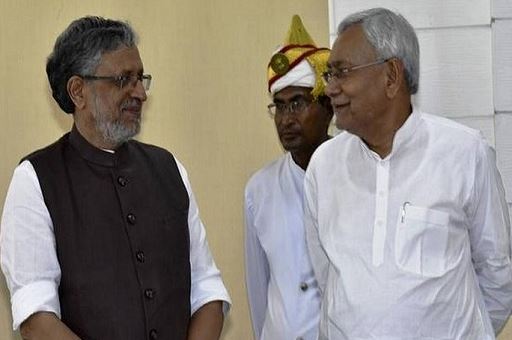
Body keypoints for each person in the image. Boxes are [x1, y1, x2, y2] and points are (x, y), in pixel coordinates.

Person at [0, 16, 230, 340]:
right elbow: (37, 319)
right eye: (124, 79)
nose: (140, 94)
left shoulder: (168, 168)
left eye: (141, 78)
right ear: (78, 91)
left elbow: (207, 292)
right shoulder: (35, 180)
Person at [304, 7, 512, 339]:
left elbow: (498, 275)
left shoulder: (464, 153)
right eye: (330, 74)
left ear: (391, 75)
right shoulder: (323, 166)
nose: (330, 88)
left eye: (342, 72)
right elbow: (329, 277)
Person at [244, 15, 332, 340]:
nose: (286, 119)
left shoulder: (356, 177)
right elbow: (258, 286)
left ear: (328, 107)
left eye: (298, 102)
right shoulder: (260, 189)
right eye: (279, 107)